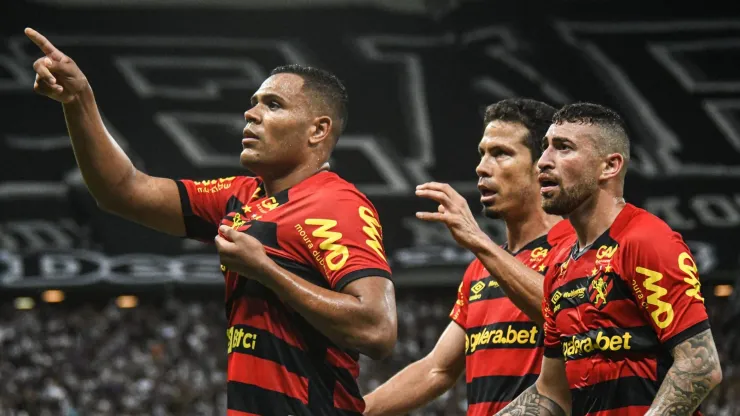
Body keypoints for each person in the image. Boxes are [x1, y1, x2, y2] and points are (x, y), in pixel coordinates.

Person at [26, 27, 397, 416]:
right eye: (254, 102)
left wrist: (266, 270)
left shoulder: (337, 205)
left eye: (273, 105)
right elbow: (122, 190)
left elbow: (378, 330)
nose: (251, 114)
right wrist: (79, 101)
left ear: (318, 130)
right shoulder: (241, 195)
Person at [497, 103, 723, 416]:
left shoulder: (645, 241)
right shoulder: (559, 266)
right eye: (544, 147)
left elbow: (700, 367)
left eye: (563, 148)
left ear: (609, 166)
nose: (543, 162)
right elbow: (552, 392)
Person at [363, 98, 574, 415]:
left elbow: (566, 320)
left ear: (543, 167)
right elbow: (437, 370)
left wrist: (478, 241)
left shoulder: (578, 249)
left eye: (501, 154)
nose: (482, 167)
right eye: (483, 154)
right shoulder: (481, 269)